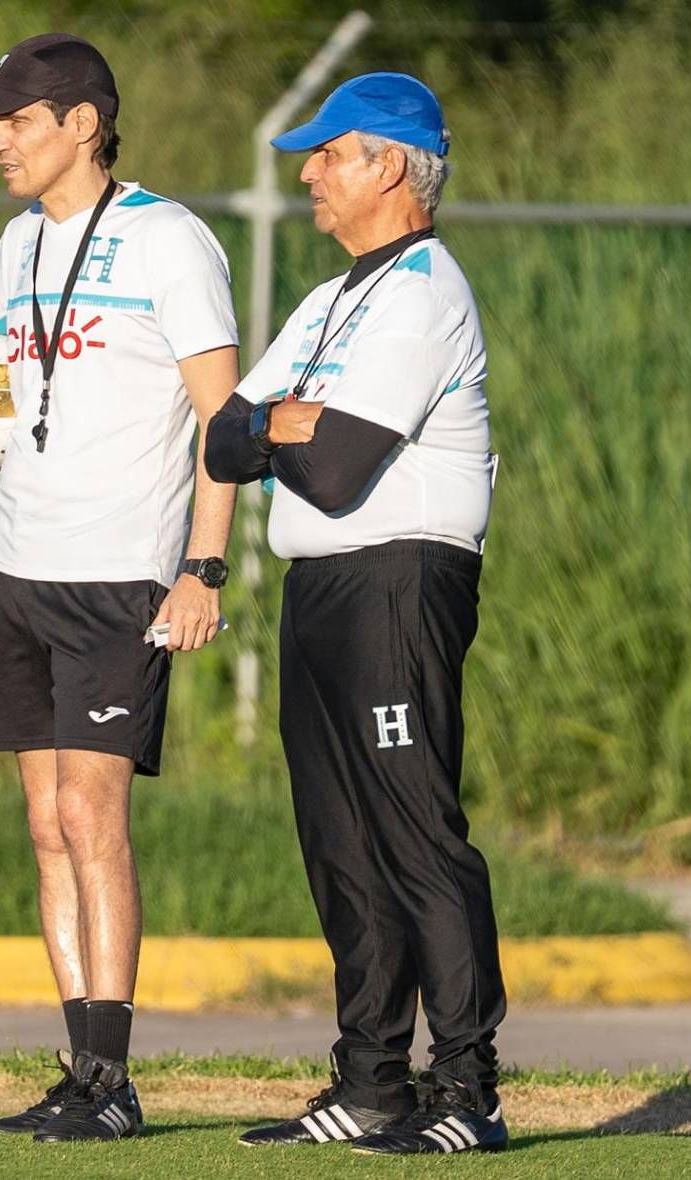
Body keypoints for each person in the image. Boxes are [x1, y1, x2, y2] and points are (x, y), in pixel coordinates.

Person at [0, 33, 239, 1143]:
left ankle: (117, 1081)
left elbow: (225, 421)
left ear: (82, 123)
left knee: (91, 810)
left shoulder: (170, 241)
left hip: (122, 571)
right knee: (42, 823)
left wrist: (202, 568)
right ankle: (78, 1066)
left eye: (14, 121)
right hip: (15, 565)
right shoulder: (19, 240)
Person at [205, 72, 507, 1156]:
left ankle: (466, 1088)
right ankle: (371, 1079)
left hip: (397, 584)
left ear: (389, 165)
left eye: (329, 154)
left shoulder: (424, 290)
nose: (309, 174)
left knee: (414, 830)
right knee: (339, 840)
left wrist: (280, 425)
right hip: (322, 590)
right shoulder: (333, 300)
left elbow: (328, 471)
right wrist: (283, 421)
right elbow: (224, 441)